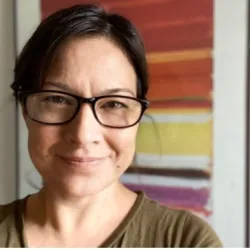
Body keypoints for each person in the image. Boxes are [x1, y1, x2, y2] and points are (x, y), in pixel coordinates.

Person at [0, 4, 222, 248]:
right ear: (25, 109)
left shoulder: (187, 241)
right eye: (57, 99)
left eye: (114, 104)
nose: (84, 134)